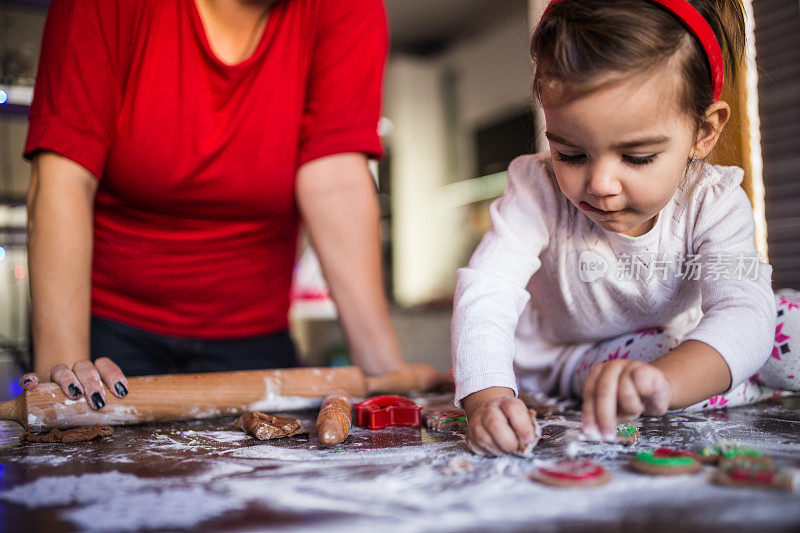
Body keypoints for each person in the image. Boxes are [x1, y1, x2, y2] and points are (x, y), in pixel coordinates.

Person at [20, 0, 441, 409]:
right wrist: (63, 377)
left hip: (255, 339)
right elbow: (65, 175)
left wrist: (385, 372)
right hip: (111, 332)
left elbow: (335, 184)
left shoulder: (349, 6)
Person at [453, 0, 800, 456]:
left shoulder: (713, 199)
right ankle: (732, 381)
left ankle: (719, 377)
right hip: (576, 354)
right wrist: (489, 398)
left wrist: (675, 375)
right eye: (571, 154)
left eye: (637, 157)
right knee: (659, 352)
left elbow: (744, 311)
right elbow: (487, 291)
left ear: (704, 131)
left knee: (786, 321)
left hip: (688, 331)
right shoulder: (534, 190)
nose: (600, 185)